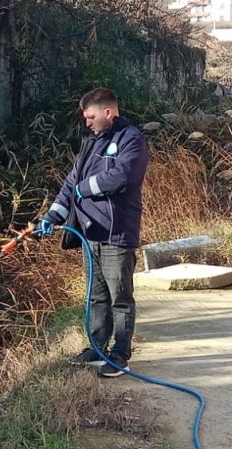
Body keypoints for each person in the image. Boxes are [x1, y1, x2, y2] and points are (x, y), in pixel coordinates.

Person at [35, 88, 149, 377]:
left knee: (119, 298)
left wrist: (83, 190)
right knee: (97, 297)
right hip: (91, 235)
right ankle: (97, 348)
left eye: (91, 117)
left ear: (107, 112)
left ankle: (120, 356)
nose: (87, 122)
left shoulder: (131, 140)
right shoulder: (90, 144)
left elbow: (121, 177)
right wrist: (52, 215)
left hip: (117, 233)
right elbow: (68, 184)